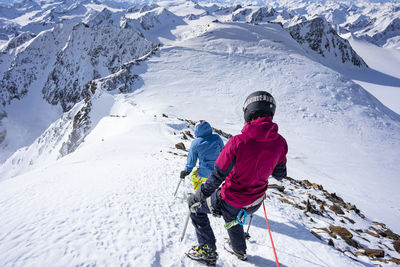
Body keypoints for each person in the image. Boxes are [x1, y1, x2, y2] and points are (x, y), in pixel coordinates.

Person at [185, 91, 288, 266]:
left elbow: (216, 177)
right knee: (233, 217)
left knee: (195, 208)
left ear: (249, 112)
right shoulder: (280, 143)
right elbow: (280, 175)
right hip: (255, 201)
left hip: (232, 199)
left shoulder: (238, 142)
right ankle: (239, 250)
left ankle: (207, 251)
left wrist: (197, 197)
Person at [180, 120, 224, 192]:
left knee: (194, 176)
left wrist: (186, 171)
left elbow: (191, 161)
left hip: (204, 174)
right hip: (218, 172)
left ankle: (199, 195)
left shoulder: (195, 143)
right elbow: (224, 152)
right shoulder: (217, 138)